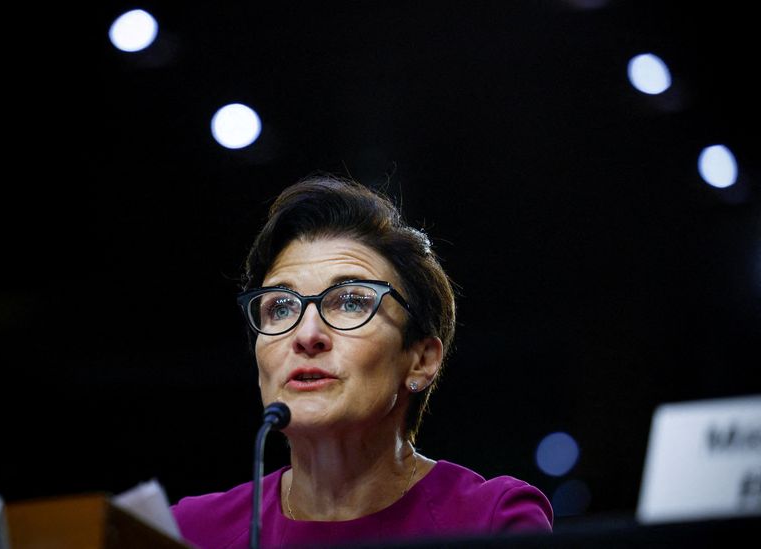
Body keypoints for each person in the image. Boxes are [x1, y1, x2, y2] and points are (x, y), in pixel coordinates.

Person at [171, 175, 553, 548]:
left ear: (421, 360)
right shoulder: (186, 533)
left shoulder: (490, 520)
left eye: (351, 302)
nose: (306, 336)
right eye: (281, 307)